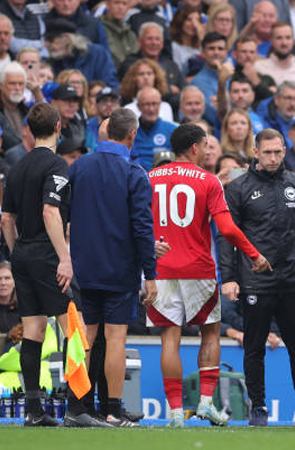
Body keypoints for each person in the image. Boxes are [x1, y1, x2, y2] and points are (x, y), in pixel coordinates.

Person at [147, 123, 271, 427]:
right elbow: (227, 229)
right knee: (211, 333)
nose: (208, 151)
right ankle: (205, 404)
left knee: (169, 341)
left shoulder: (148, 178)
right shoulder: (208, 181)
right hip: (198, 269)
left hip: (160, 270)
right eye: (205, 146)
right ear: (193, 148)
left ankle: (175, 413)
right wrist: (254, 254)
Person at [0, 102, 106, 427]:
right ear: (59, 127)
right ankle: (77, 408)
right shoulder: (56, 165)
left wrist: (19, 251)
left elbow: (6, 218)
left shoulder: (16, 166)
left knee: (33, 330)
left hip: (23, 253)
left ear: (29, 130)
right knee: (76, 329)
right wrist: (64, 257)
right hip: (48, 254)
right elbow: (51, 211)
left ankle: (34, 412)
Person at [219, 128, 295, 427]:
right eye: (268, 153)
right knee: (254, 346)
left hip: (293, 278)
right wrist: (229, 277)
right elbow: (228, 237)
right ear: (255, 153)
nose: (274, 158)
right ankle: (258, 407)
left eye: (278, 152)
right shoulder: (238, 188)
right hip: (255, 280)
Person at [69, 108, 158, 427]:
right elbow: (143, 228)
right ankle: (113, 409)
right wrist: (151, 274)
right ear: (132, 135)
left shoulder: (79, 167)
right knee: (115, 338)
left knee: (86, 338)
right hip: (119, 268)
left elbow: (64, 214)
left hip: (83, 267)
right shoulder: (135, 173)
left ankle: (77, 406)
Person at [131, 87, 178, 171]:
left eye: (154, 104)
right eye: (147, 104)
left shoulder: (173, 131)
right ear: (138, 106)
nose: (151, 109)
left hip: (164, 178)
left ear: (160, 105)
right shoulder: (129, 131)